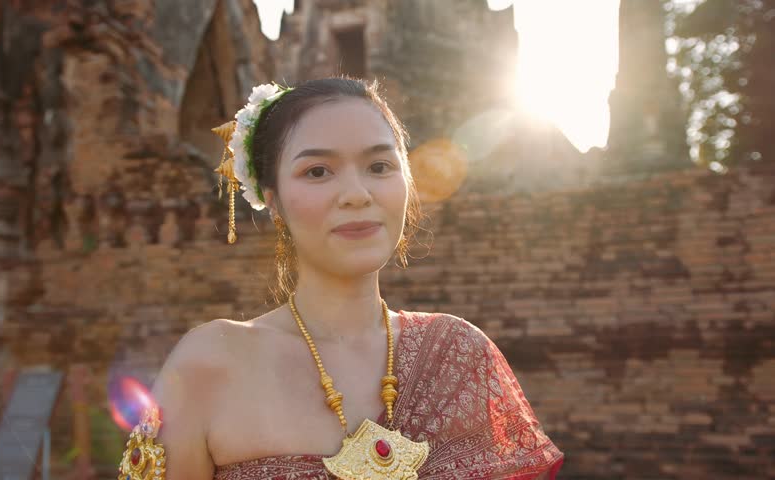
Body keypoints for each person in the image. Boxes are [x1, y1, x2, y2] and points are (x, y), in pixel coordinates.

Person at [117, 77, 564, 480]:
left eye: (379, 167)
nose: (356, 194)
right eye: (317, 171)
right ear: (272, 201)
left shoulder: (459, 354)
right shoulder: (208, 365)